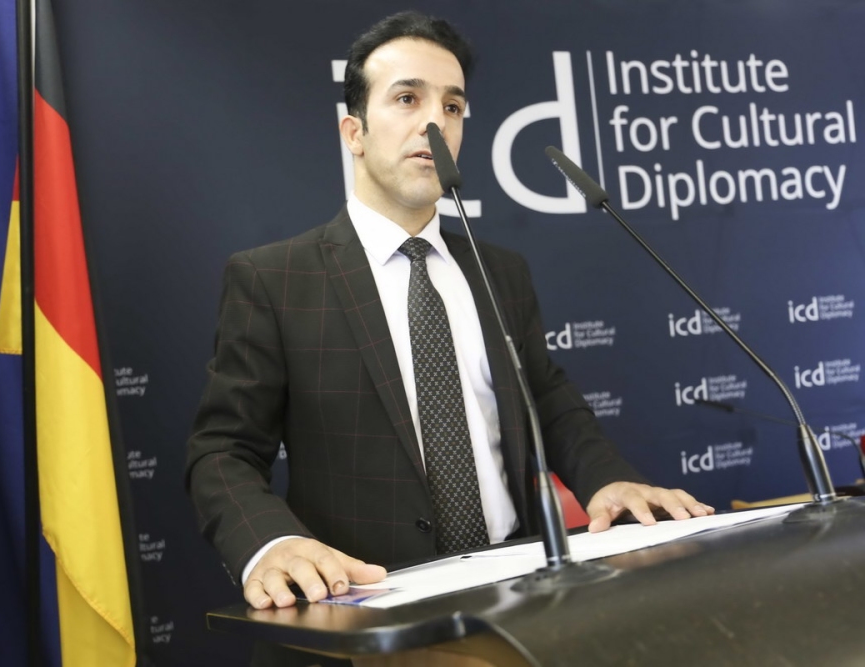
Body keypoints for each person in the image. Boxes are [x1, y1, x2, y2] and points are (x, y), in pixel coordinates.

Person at [186, 11, 713, 619]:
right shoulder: (275, 279)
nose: (435, 122)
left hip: (523, 600)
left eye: (453, 107)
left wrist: (607, 480)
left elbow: (548, 401)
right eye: (407, 99)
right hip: (364, 607)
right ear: (354, 133)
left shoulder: (500, 271)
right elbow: (222, 450)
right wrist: (270, 543)